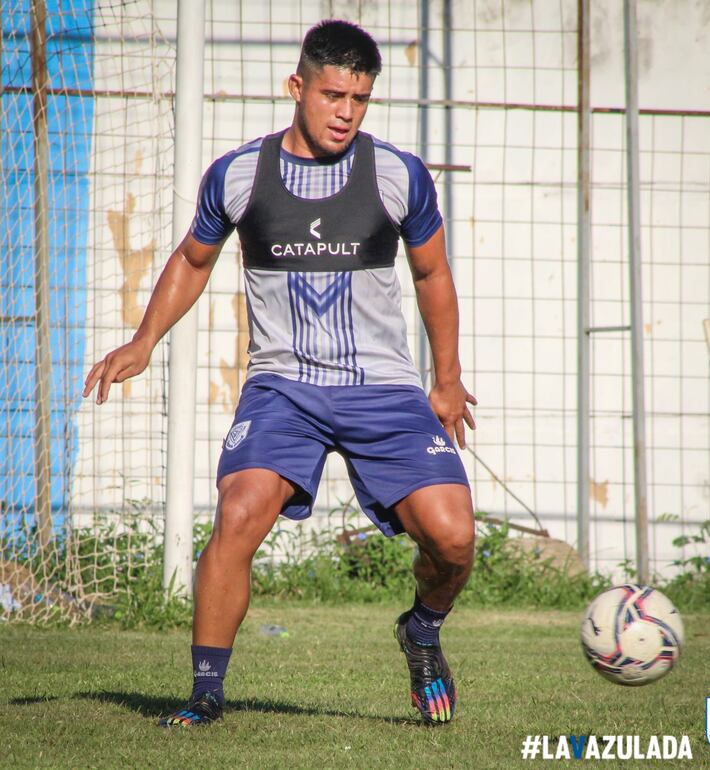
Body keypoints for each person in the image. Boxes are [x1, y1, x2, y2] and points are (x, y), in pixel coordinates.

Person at [84, 19, 476, 727]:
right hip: (283, 388)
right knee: (237, 514)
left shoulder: (398, 174)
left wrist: (446, 380)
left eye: (360, 98)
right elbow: (193, 260)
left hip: (382, 389)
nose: (347, 112)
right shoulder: (239, 174)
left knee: (453, 539)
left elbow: (432, 274)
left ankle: (421, 631)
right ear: (297, 87)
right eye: (333, 94)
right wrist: (143, 340)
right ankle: (205, 693)